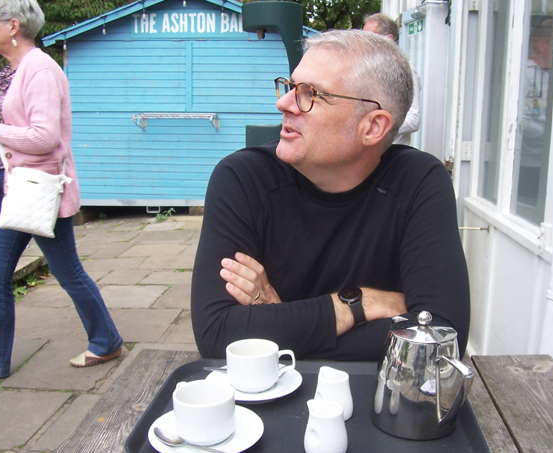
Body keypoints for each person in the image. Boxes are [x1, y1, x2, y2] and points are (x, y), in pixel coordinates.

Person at [191, 29, 470, 362]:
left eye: (310, 94)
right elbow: (216, 335)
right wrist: (356, 304)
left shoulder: (417, 182)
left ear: (373, 127)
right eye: (291, 86)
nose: (283, 103)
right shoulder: (244, 179)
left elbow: (439, 338)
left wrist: (281, 323)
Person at [0, 0, 123, 381]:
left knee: (15, 271)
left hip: (36, 193)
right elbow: (18, 130)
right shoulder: (16, 72)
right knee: (34, 270)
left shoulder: (39, 70)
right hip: (24, 192)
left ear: (13, 26)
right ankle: (105, 340)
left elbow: (45, 137)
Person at [363, 13, 421, 146]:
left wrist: (377, 126)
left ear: (389, 39)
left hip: (391, 153)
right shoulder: (368, 68)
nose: (365, 42)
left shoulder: (406, 70)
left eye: (370, 37)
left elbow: (414, 120)